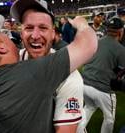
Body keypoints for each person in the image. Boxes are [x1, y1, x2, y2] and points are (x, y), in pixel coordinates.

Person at [12, 0, 83, 132]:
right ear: (21, 33)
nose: (35, 35)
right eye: (29, 28)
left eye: (43, 28)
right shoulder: (12, 61)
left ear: (53, 34)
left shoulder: (69, 75)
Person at [78, 17, 125, 133]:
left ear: (107, 29)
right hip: (103, 90)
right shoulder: (121, 49)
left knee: (89, 107)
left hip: (85, 85)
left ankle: (78, 130)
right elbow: (121, 74)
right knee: (109, 119)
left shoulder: (96, 42)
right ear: (120, 32)